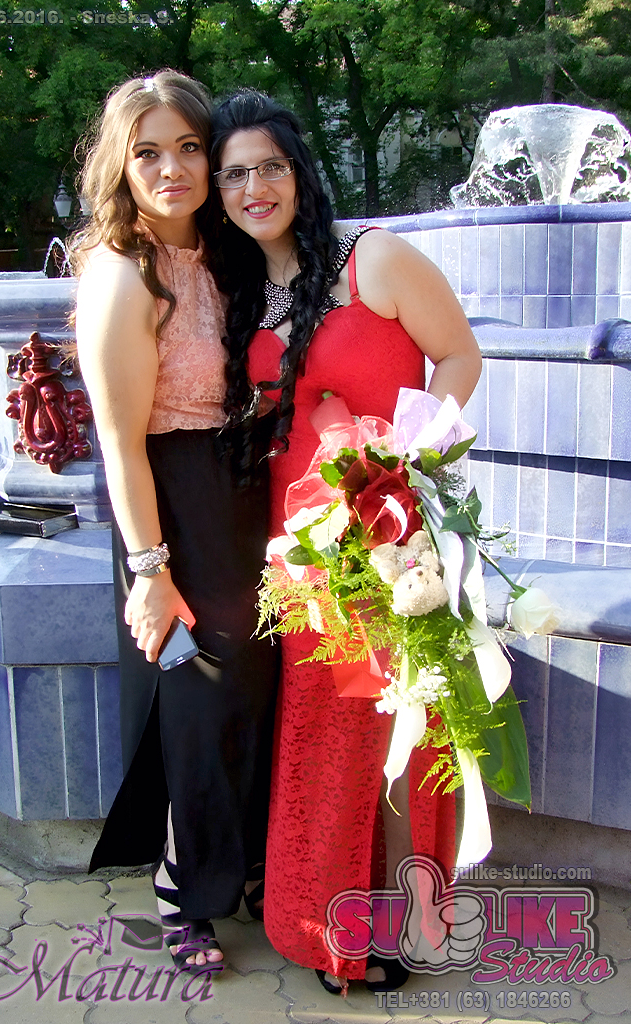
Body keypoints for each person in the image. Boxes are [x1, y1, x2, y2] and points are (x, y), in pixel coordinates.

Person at [210, 90, 482, 993]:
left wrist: (406, 458)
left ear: (299, 171)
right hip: (301, 552)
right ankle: (330, 929)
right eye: (234, 174)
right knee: (326, 742)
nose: (254, 187)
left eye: (269, 166)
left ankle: (398, 925)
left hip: (392, 533)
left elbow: (460, 356)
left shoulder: (377, 259)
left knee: (398, 731)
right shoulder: (240, 292)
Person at [71, 71, 277, 976]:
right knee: (198, 698)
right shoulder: (123, 273)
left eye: (189, 147)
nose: (172, 169)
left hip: (244, 493)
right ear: (121, 166)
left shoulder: (229, 254)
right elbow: (118, 441)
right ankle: (180, 885)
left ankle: (252, 865)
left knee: (255, 690)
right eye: (147, 152)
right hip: (169, 502)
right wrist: (149, 570)